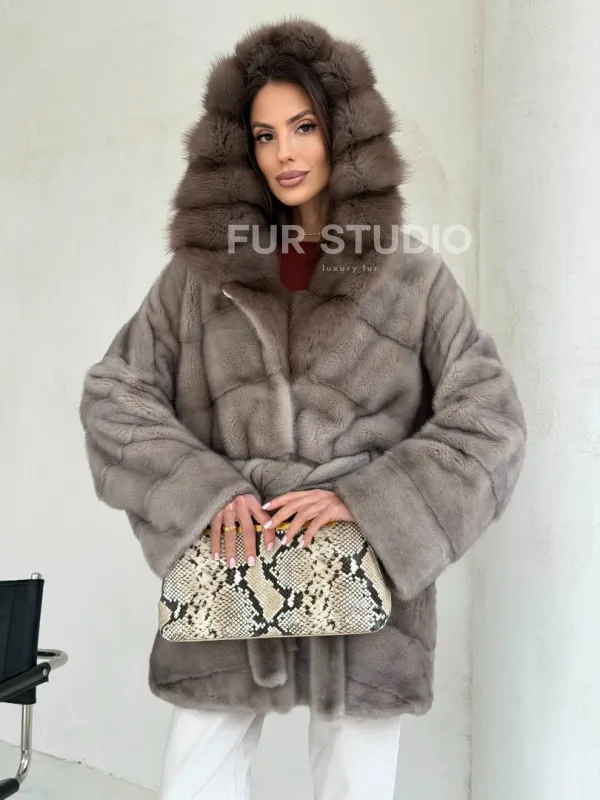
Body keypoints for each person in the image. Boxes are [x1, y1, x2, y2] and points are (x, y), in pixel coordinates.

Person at [78, 17, 527, 800]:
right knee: (196, 776)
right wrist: (205, 490)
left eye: (304, 127)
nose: (285, 152)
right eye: (264, 135)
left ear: (343, 133)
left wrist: (368, 502)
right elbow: (115, 393)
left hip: (363, 574)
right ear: (240, 150)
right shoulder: (199, 278)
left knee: (355, 782)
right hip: (230, 559)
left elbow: (491, 420)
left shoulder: (413, 276)